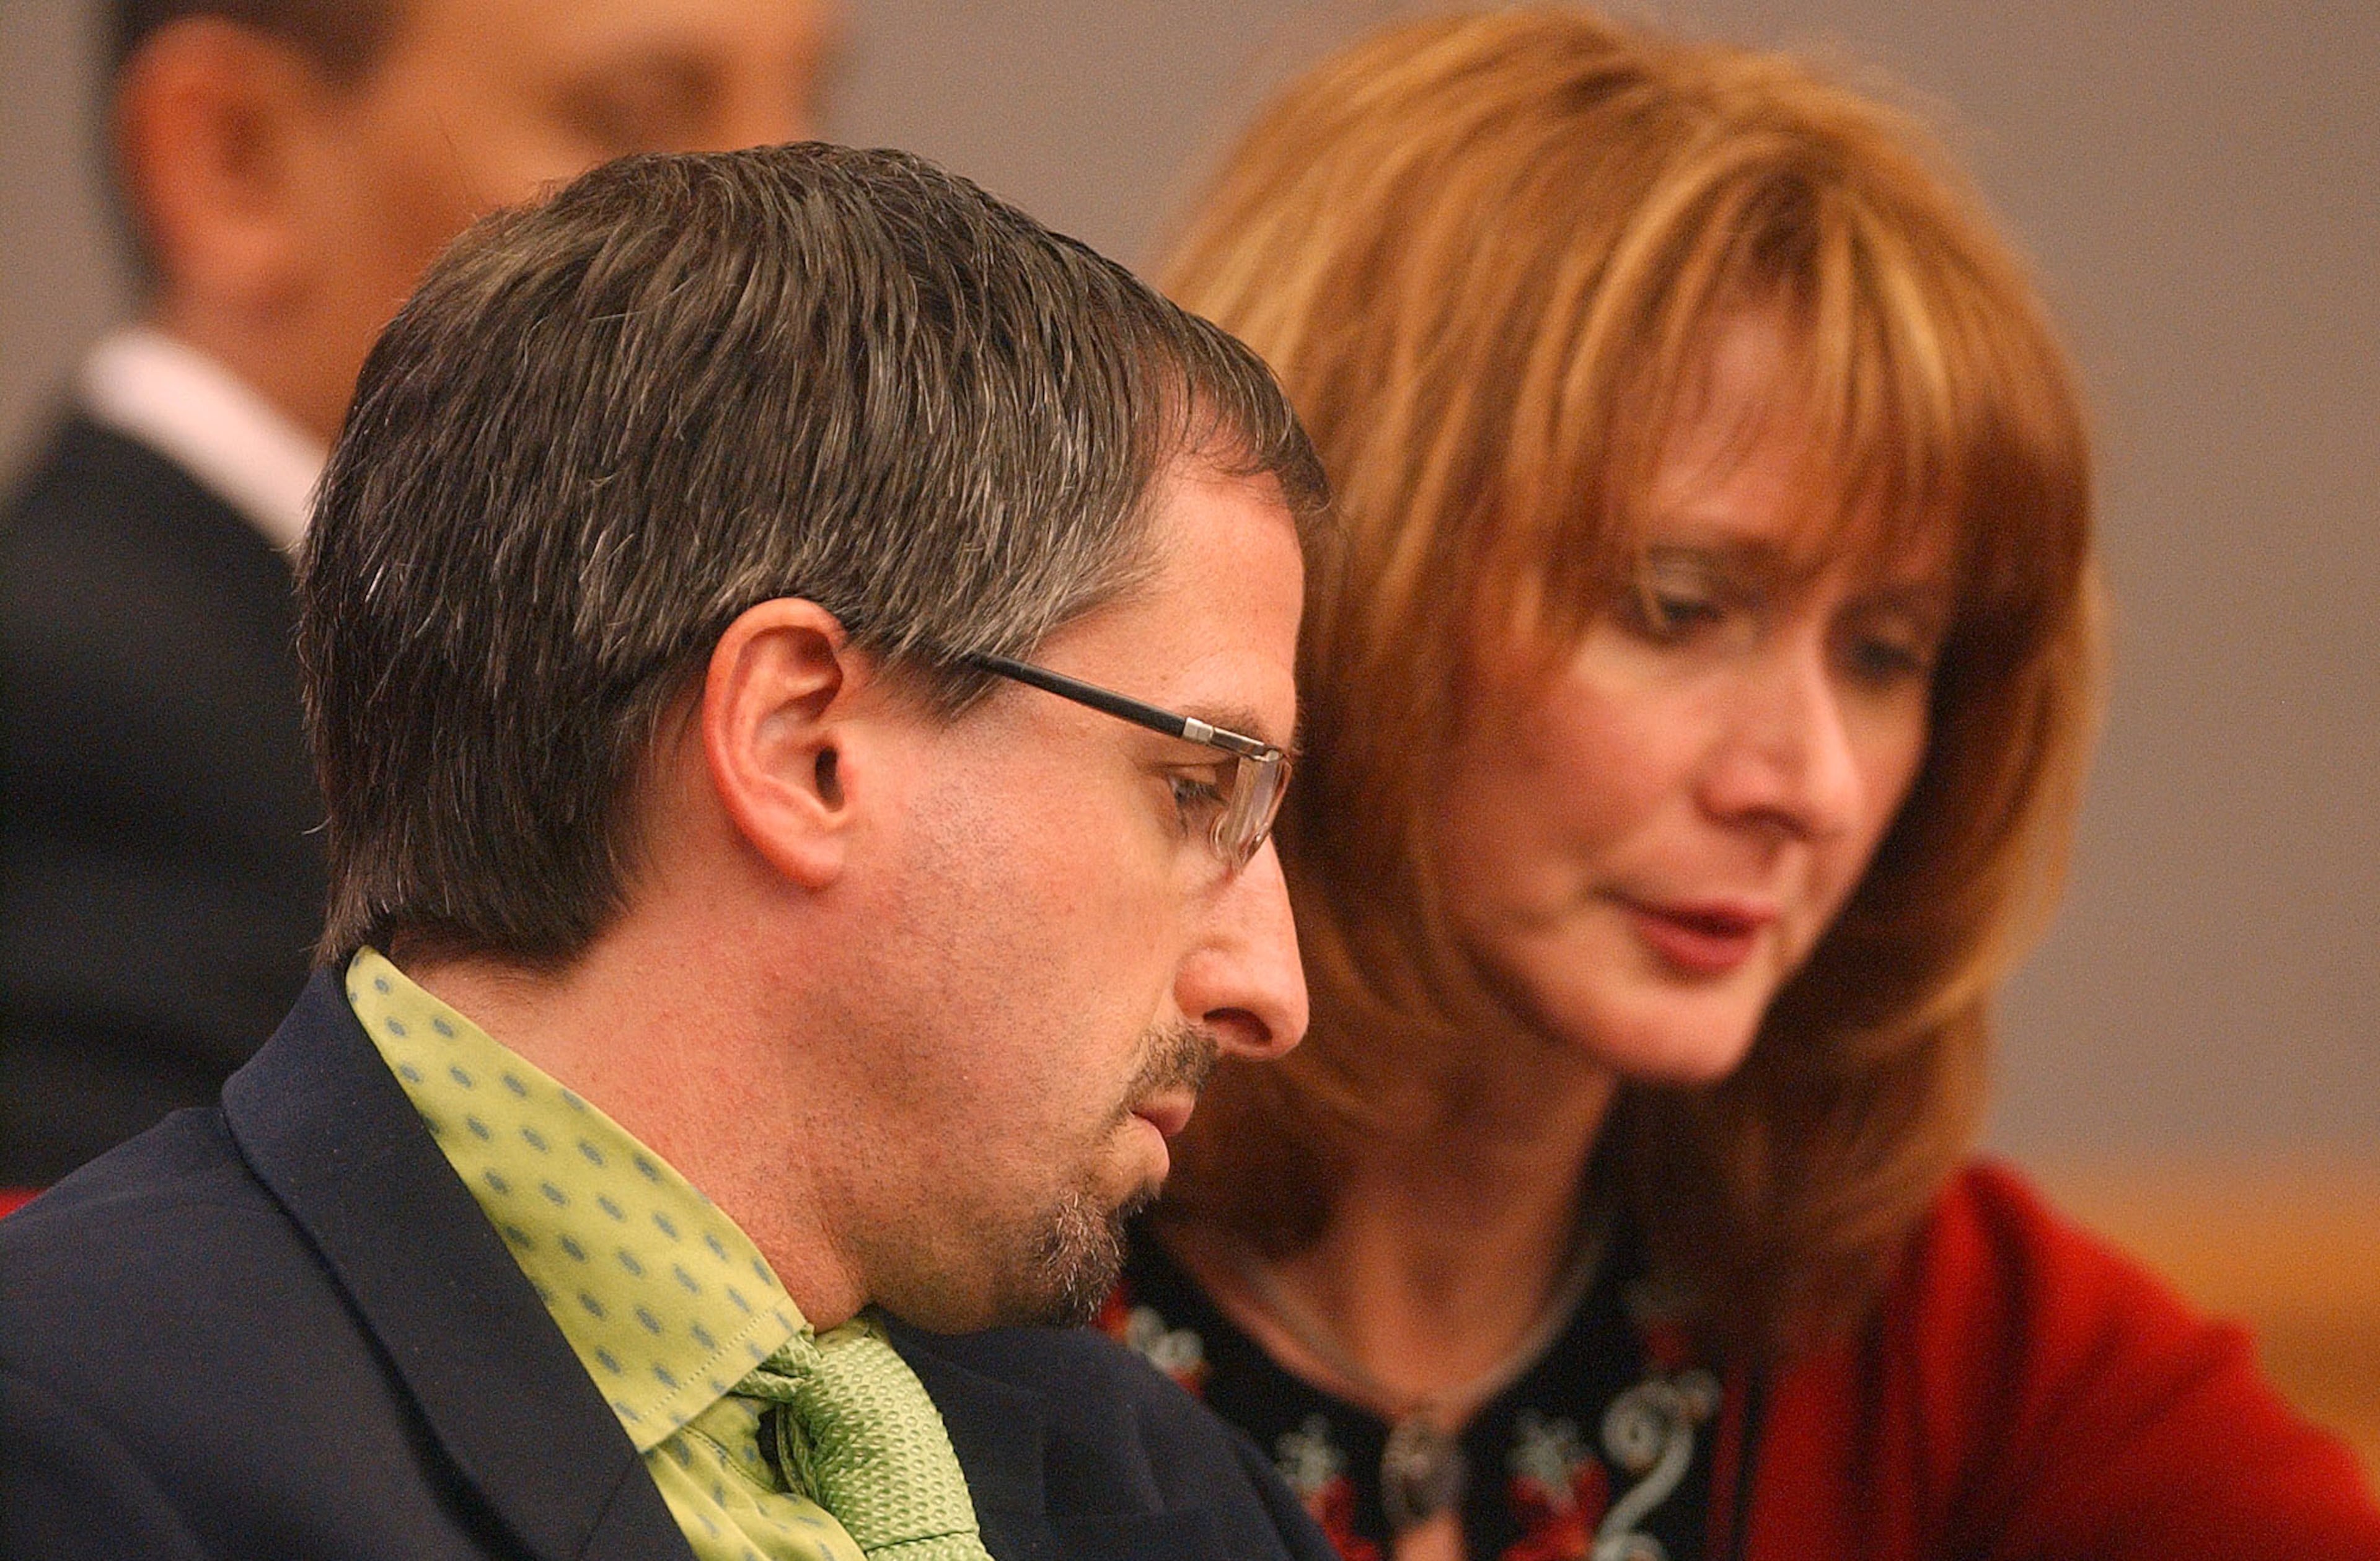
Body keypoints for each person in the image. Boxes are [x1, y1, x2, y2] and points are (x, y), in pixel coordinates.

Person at [1099, 11, 2380, 1561]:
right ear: (1338, 589)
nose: (1816, 785)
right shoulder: (958, 1266)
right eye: (1680, 607)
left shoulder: (1961, 1344)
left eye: (1890, 653)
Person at [1, 141, 1339, 1561]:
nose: (1274, 991)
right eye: (1198, 791)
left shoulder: (1172, 1487)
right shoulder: (82, 1453)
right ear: (800, 744)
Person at [0, 0, 835, 1189]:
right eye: (639, 125)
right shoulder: (70, 742)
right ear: (231, 157)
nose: (818, 255)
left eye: (810, 117)